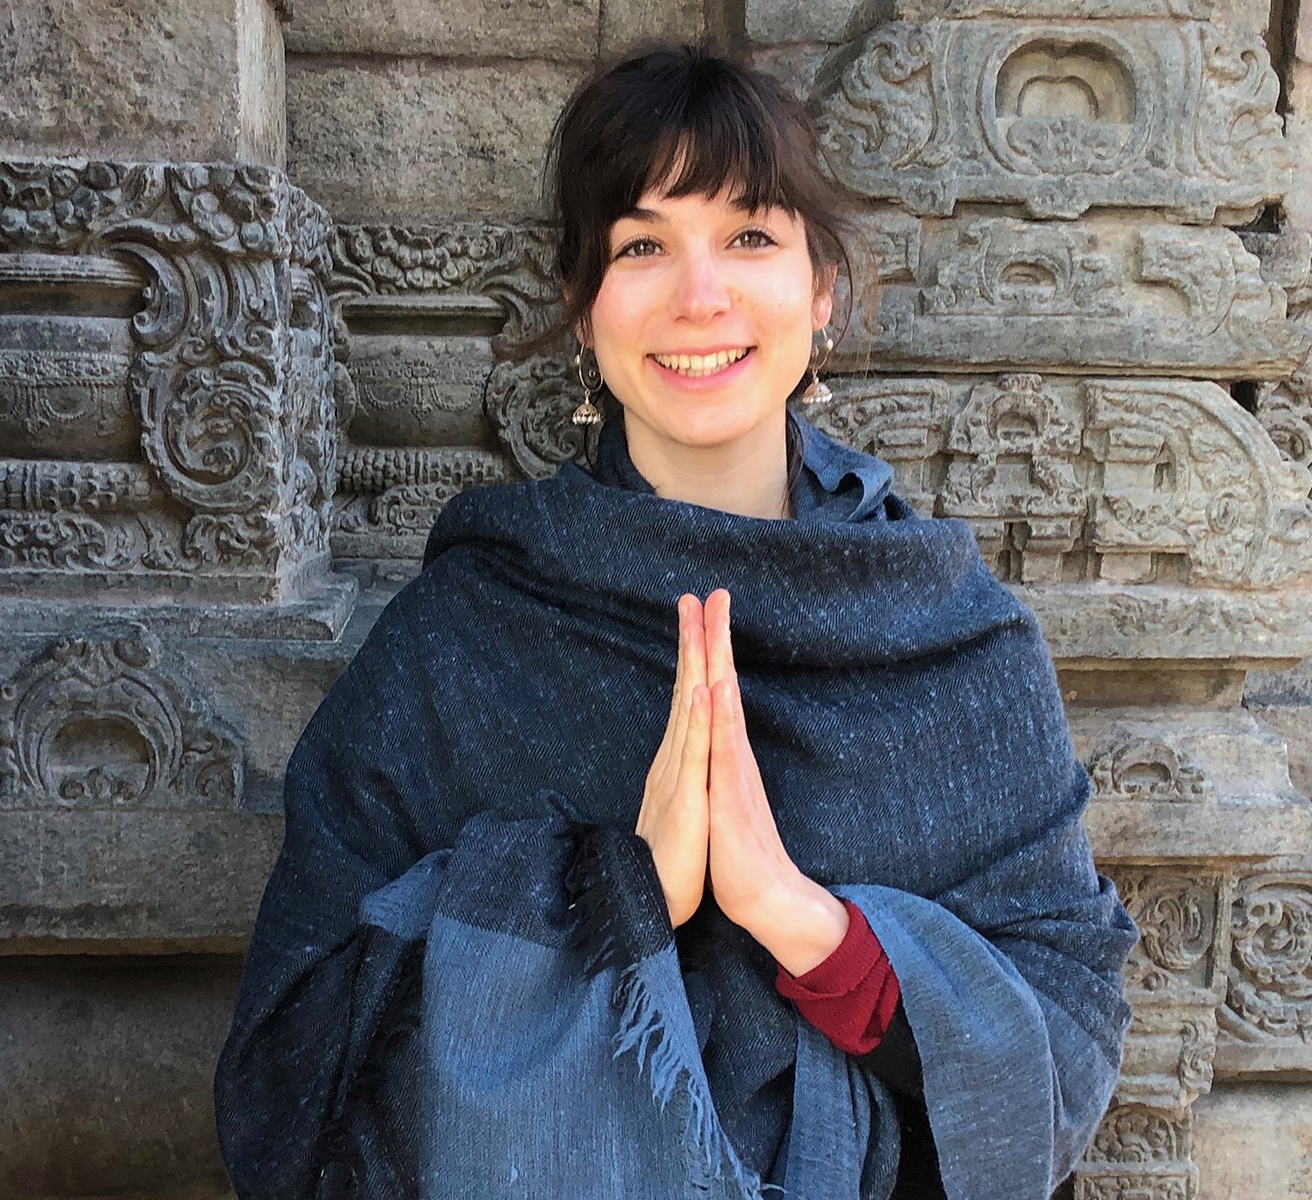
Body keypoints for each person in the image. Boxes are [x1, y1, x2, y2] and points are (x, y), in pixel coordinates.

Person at [214, 44, 1137, 1200]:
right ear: (580, 305)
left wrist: (804, 925)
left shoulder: (954, 637)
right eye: (642, 244)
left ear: (819, 290)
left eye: (748, 235)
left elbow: (1066, 1039)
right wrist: (614, 895)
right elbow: (292, 1069)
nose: (698, 294)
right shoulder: (464, 636)